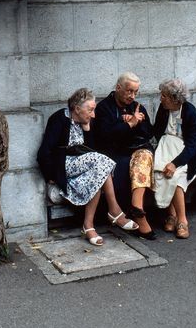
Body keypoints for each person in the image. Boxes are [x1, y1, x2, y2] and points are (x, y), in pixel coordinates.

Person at [37, 88, 138, 246]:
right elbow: (44, 152)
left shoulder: (87, 122)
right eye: (90, 110)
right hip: (64, 167)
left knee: (97, 176)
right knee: (101, 162)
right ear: (77, 109)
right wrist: (51, 177)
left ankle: (88, 226)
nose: (93, 115)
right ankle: (115, 211)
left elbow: (92, 150)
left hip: (85, 167)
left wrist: (87, 128)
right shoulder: (59, 119)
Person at [94, 73, 156, 240]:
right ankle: (139, 215)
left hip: (137, 150)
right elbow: (104, 137)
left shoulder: (137, 107)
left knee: (143, 157)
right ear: (118, 88)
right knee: (134, 163)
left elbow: (149, 134)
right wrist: (127, 124)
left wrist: (139, 122)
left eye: (136, 92)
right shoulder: (103, 108)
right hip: (114, 153)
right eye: (129, 91)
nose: (132, 96)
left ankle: (137, 208)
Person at [153, 79, 196, 239]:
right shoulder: (164, 109)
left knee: (176, 176)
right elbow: (156, 131)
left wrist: (175, 163)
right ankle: (171, 215)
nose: (161, 98)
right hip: (165, 149)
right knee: (161, 171)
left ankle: (182, 220)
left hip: (185, 155)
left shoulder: (190, 112)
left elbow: (193, 145)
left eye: (164, 96)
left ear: (175, 99)